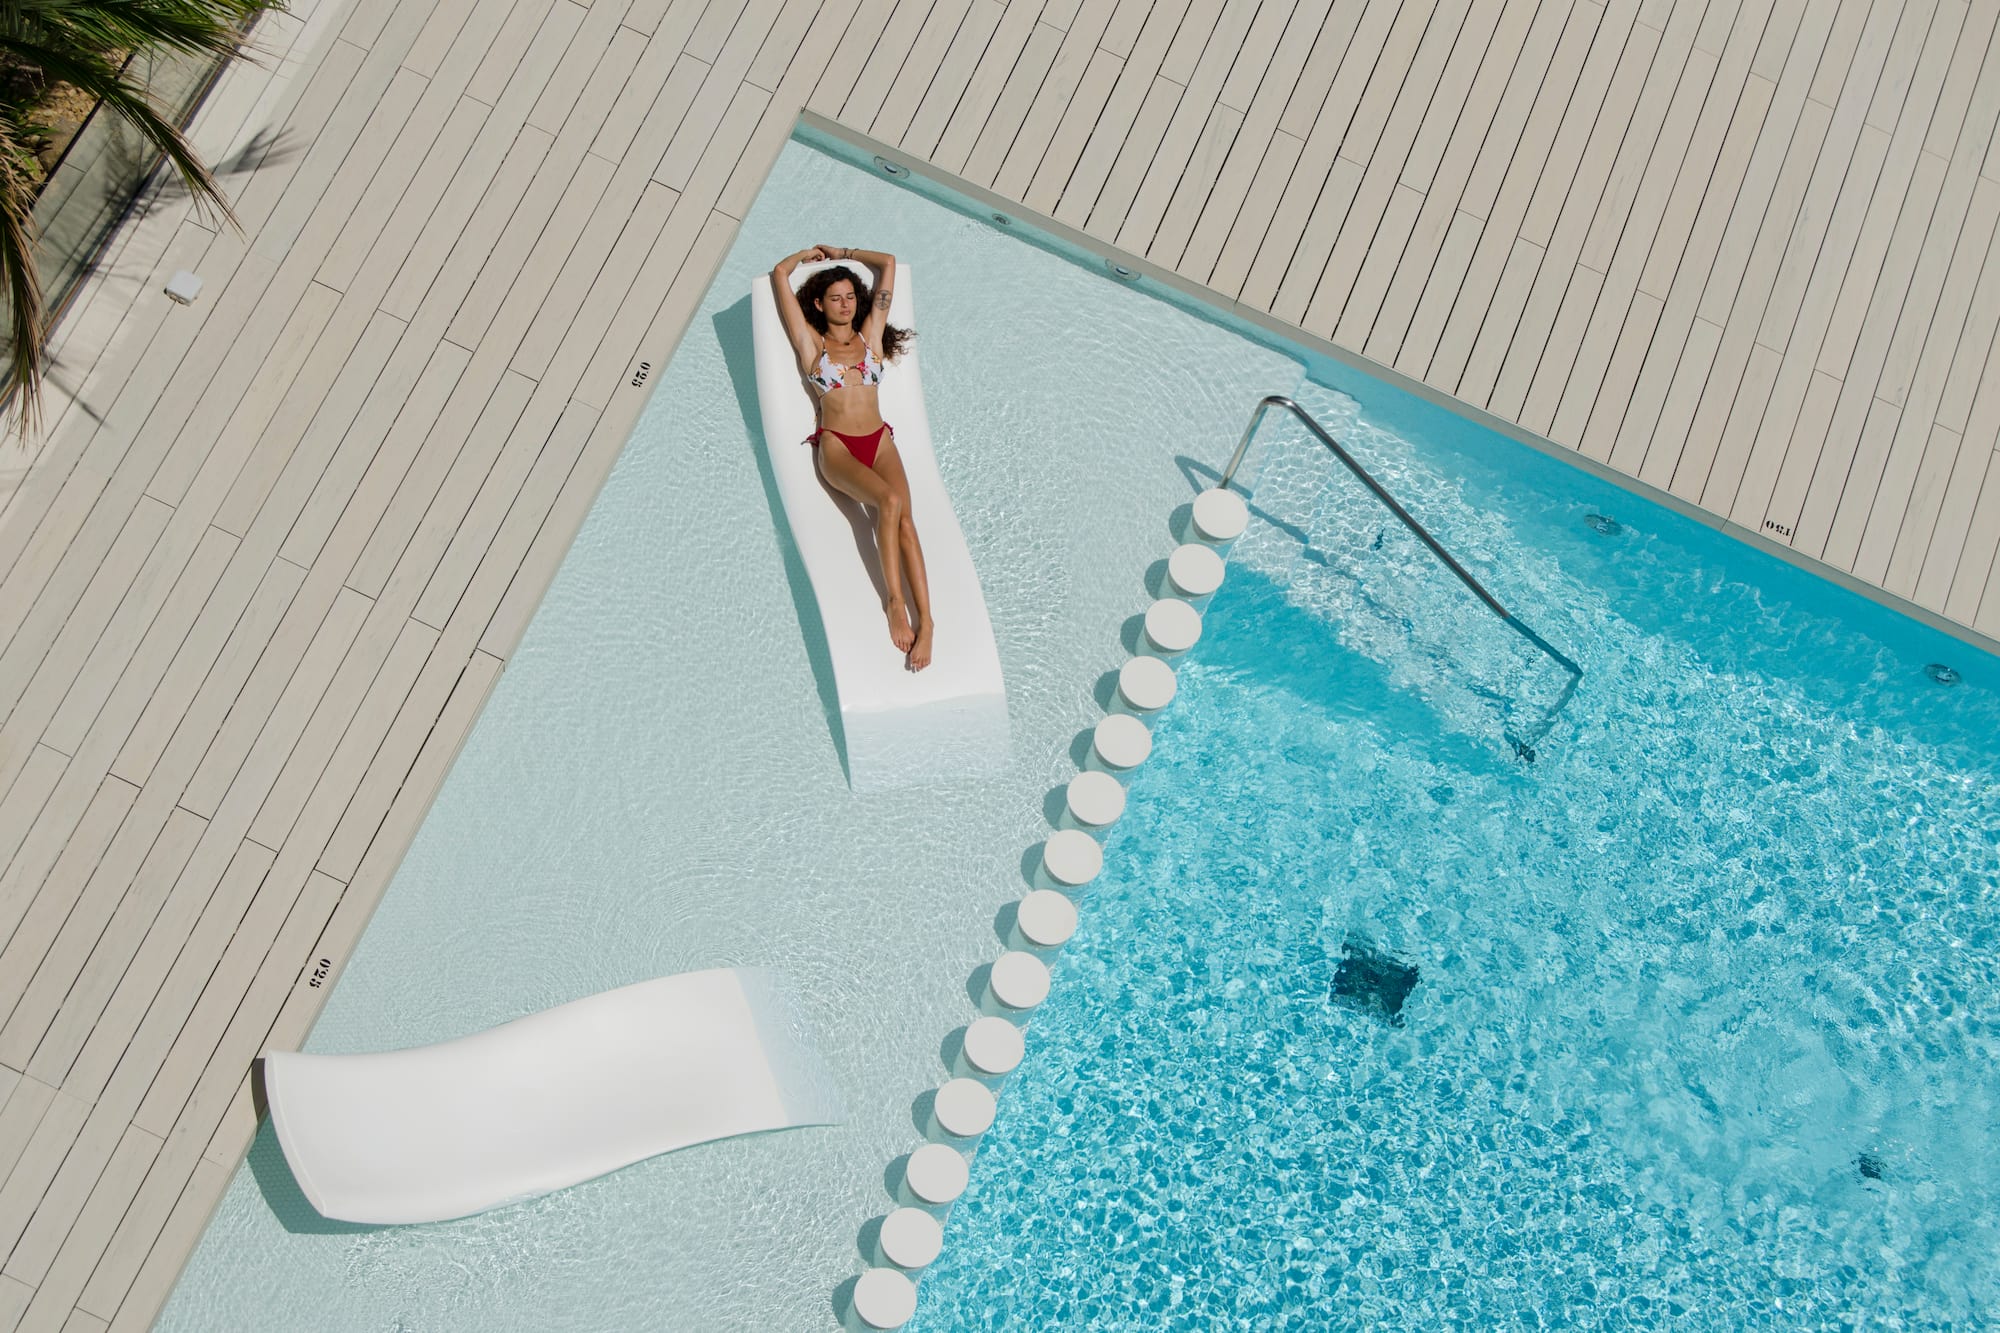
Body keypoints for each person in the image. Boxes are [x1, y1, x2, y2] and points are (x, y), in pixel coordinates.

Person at [771, 244, 932, 671]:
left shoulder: (870, 335)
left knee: (908, 527)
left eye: (850, 296)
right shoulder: (811, 342)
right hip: (839, 446)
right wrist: (806, 256)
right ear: (820, 304)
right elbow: (779, 276)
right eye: (835, 298)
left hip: (879, 441)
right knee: (890, 504)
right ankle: (895, 603)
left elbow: (888, 265)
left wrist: (844, 251)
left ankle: (928, 624)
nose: (844, 304)